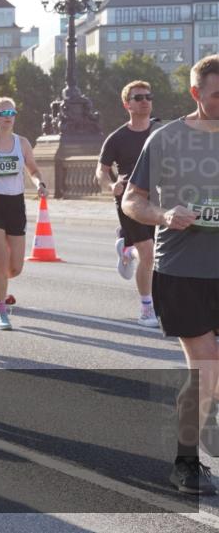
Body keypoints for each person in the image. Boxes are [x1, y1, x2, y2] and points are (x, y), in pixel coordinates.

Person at [123, 54, 219, 495]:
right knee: (205, 369)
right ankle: (185, 463)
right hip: (183, 271)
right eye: (217, 95)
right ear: (196, 94)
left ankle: (205, 413)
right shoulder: (166, 138)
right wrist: (164, 214)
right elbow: (132, 201)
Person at [0, 97, 48, 331]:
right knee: (1, 261)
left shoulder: (22, 143)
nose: (7, 117)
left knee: (15, 268)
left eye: (11, 113)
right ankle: (1, 312)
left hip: (16, 204)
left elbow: (32, 168)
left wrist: (39, 182)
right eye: (2, 113)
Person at [96, 80, 162, 327]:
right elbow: (101, 171)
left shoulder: (161, 131)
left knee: (158, 255)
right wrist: (110, 186)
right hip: (130, 199)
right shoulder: (117, 138)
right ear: (127, 104)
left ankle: (126, 246)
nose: (145, 101)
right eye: (138, 98)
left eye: (148, 96)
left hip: (159, 199)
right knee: (148, 252)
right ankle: (146, 308)